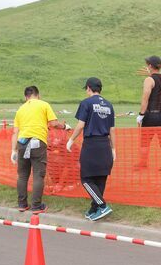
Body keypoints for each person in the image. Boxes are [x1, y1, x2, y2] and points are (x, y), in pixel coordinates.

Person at [11, 86, 71, 214]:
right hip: (37, 142)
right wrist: (64, 126)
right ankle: (36, 206)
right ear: (38, 95)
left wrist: (13, 150)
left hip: (22, 143)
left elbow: (15, 132)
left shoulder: (20, 109)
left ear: (25, 97)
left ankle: (22, 204)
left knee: (22, 175)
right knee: (38, 174)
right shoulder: (43, 105)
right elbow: (54, 123)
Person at [66, 77, 115, 221]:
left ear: (88, 88)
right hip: (105, 145)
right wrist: (114, 149)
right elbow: (112, 130)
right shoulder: (109, 104)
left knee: (86, 178)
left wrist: (71, 140)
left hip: (91, 145)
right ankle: (94, 209)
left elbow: (81, 125)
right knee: (100, 178)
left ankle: (102, 205)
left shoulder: (86, 103)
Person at [136, 56, 161, 169]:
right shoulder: (153, 78)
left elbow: (145, 98)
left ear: (150, 66)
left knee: (145, 141)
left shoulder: (149, 80)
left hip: (151, 115)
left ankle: (143, 163)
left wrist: (141, 115)